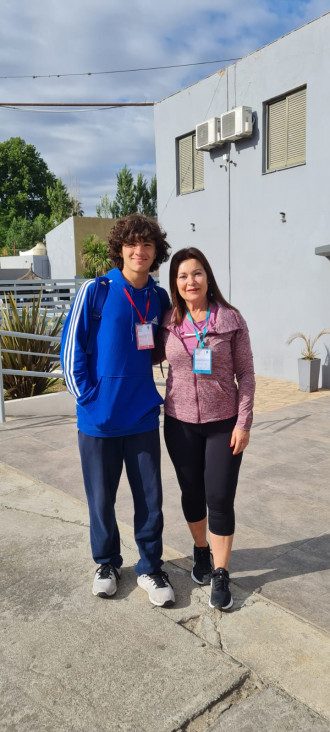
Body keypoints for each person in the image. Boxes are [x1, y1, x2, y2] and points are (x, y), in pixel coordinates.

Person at [60, 213, 175, 607]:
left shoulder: (159, 297)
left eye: (147, 245)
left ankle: (150, 567)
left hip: (142, 415)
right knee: (100, 498)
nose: (139, 251)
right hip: (98, 420)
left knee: (150, 499)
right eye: (132, 244)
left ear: (156, 252)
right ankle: (107, 563)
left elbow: (163, 346)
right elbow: (70, 351)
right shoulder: (96, 291)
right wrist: (89, 398)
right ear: (120, 248)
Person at [154, 247, 255, 610]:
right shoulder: (168, 321)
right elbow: (144, 354)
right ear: (175, 283)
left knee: (220, 498)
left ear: (208, 277)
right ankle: (201, 551)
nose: (190, 281)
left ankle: (222, 572)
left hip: (222, 426)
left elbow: (245, 374)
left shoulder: (230, 319)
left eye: (196, 273)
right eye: (182, 276)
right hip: (179, 424)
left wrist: (243, 423)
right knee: (192, 494)